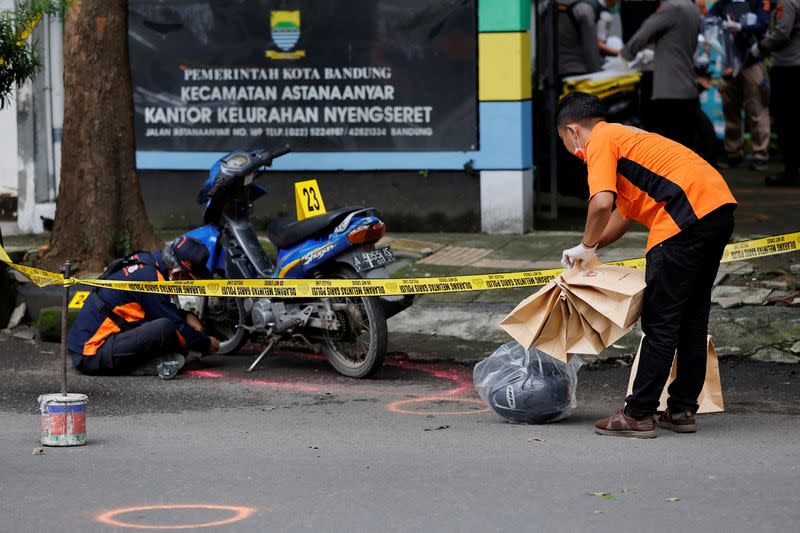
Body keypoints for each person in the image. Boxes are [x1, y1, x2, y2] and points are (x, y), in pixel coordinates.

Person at [556, 92, 737, 438]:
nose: (569, 148)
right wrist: (589, 251)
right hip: (716, 211)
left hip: (683, 217)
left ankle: (637, 414)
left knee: (661, 320)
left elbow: (599, 203)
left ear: (574, 130)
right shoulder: (628, 141)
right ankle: (682, 409)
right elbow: (618, 215)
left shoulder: (601, 140)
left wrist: (586, 244)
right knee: (691, 318)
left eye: (564, 140)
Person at [67, 236, 220, 379]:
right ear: (178, 272)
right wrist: (206, 344)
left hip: (86, 345)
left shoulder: (149, 261)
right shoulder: (153, 281)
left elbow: (158, 307)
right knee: (167, 329)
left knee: (170, 331)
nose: (188, 284)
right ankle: (140, 366)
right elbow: (176, 327)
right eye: (189, 279)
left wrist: (186, 315)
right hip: (90, 355)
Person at [620, 0, 703, 151]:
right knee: (687, 144)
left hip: (669, 89)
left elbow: (644, 32)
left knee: (669, 146)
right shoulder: (693, 8)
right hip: (688, 85)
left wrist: (625, 54)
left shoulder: (672, 8)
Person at [710, 0, 771, 171]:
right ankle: (733, 152)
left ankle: (760, 154)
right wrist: (719, 25)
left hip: (752, 62)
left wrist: (741, 27)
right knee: (730, 108)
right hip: (729, 63)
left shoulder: (757, 2)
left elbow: (764, 24)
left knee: (757, 108)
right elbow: (708, 20)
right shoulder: (723, 3)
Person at [759, 0, 800, 186]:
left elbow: (782, 32)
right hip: (793, 67)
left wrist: (762, 45)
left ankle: (791, 172)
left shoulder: (788, 2)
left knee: (786, 121)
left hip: (788, 69)